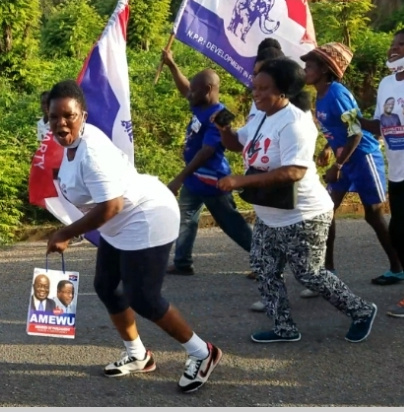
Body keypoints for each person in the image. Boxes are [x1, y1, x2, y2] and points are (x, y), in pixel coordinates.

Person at [45, 79, 222, 393]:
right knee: (107, 285)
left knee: (143, 297)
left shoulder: (91, 152)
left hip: (147, 215)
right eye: (54, 116)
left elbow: (111, 205)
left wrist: (66, 232)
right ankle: (138, 355)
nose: (60, 123)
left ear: (82, 115)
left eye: (68, 116)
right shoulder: (71, 144)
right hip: (121, 221)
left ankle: (202, 352)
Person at [212, 56, 377, 343]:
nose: (257, 93)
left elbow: (294, 171)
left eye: (264, 89)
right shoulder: (263, 115)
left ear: (283, 92)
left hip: (304, 214)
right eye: (256, 87)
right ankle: (284, 328)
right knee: (264, 267)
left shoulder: (295, 124)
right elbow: (238, 143)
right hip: (271, 212)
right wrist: (225, 129)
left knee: (309, 274)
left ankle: (362, 311)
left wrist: (240, 181)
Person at [299, 42, 403, 297]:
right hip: (343, 158)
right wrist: (327, 148)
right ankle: (327, 272)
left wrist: (338, 165)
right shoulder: (320, 94)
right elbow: (338, 129)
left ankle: (397, 267)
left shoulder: (336, 93)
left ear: (324, 70)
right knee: (326, 212)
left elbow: (355, 133)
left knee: (374, 216)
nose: (305, 70)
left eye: (309, 66)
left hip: (363, 157)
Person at [160, 49, 253, 276]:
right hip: (194, 181)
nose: (189, 93)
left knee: (232, 225)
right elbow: (185, 89)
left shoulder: (222, 115)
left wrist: (179, 178)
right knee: (185, 220)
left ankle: (265, 259)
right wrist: (172, 64)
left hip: (213, 181)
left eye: (195, 90)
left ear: (209, 90)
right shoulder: (200, 104)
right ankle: (183, 263)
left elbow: (207, 151)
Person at [358, 29, 404, 317]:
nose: (394, 48)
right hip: (397, 170)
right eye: (393, 44)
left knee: (401, 230)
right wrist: (355, 120)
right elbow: (380, 125)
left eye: (402, 45)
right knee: (399, 233)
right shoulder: (387, 83)